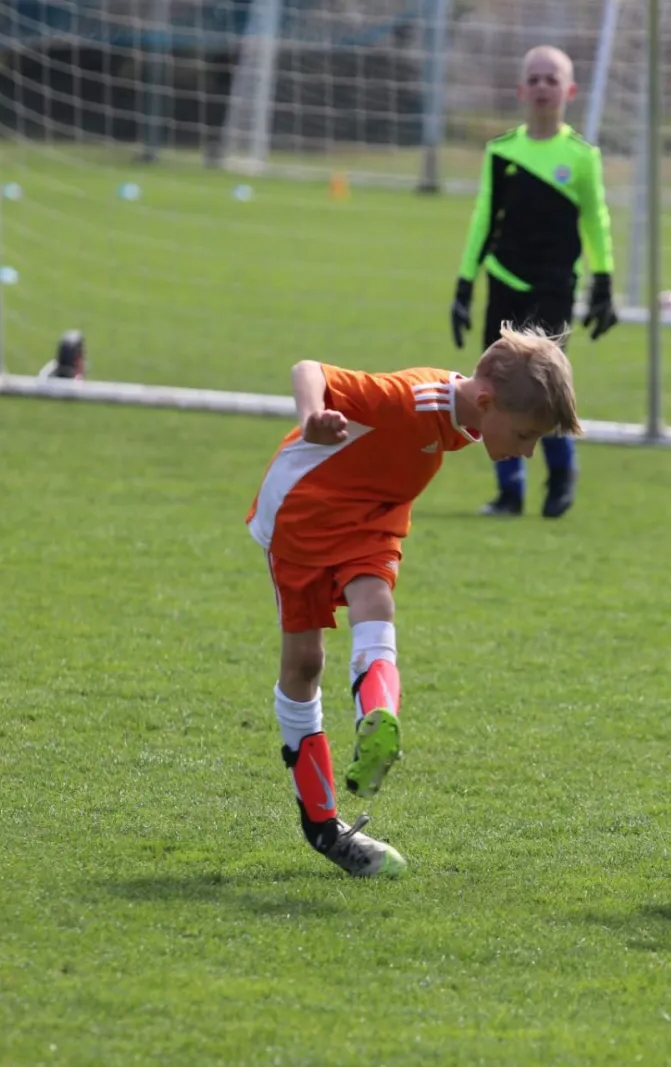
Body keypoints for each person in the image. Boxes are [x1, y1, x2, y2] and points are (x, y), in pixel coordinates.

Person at [246, 327, 581, 877]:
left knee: (376, 601)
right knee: (303, 665)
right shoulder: (409, 400)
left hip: (373, 519)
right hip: (304, 514)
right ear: (486, 402)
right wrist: (312, 418)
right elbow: (309, 369)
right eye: (525, 435)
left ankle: (376, 721)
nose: (526, 450)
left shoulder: (468, 413)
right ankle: (322, 824)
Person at [452, 45, 615, 519]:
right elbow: (484, 217)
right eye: (535, 79)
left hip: (554, 285)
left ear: (570, 91)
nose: (543, 86)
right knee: (494, 385)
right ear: (521, 89)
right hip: (504, 280)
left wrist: (604, 282)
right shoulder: (502, 151)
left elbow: (596, 221)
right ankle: (509, 490)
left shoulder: (581, 157)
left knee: (546, 384)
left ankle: (561, 474)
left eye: (552, 79)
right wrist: (464, 285)